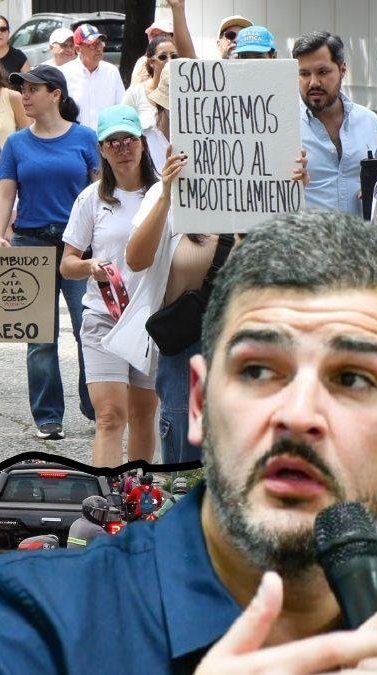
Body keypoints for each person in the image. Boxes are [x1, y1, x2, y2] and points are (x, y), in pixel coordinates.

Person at [0, 212, 377, 673]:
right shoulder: (20, 623)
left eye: (353, 379)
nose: (300, 415)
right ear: (201, 404)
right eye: (259, 370)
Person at [114, 137, 306, 465]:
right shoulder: (168, 193)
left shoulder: (263, 188)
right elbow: (135, 259)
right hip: (188, 345)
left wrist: (290, 195)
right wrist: (165, 196)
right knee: (186, 456)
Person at [0, 65, 98, 440]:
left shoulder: (86, 138)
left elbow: (100, 192)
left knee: (89, 328)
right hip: (30, 245)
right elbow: (5, 192)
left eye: (33, 88)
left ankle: (96, 404)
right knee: (40, 338)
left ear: (55, 94)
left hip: (76, 245)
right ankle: (48, 416)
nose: (25, 94)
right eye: (22, 88)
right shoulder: (17, 143)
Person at [59, 105, 158, 466]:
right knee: (110, 415)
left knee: (145, 414)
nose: (122, 148)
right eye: (112, 142)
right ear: (101, 149)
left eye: (128, 139)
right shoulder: (92, 198)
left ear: (142, 144)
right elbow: (67, 264)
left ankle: (138, 491)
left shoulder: (164, 194)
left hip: (150, 319)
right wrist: (89, 265)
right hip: (104, 315)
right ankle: (105, 498)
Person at [294, 31, 377, 217]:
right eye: (304, 74)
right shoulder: (285, 127)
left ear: (342, 70)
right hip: (305, 242)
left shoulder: (368, 121)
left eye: (323, 72)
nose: (313, 83)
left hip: (360, 241)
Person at [60, 24, 125, 130]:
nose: (98, 49)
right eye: (92, 45)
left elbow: (121, 106)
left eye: (100, 43)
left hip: (105, 138)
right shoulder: (64, 73)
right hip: (76, 137)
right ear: (78, 49)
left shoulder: (111, 71)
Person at [122, 35, 178, 131]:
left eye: (174, 56)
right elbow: (122, 126)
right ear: (151, 62)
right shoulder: (135, 93)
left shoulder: (184, 93)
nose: (170, 61)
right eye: (163, 57)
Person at [130, 19, 173, 85]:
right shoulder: (143, 62)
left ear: (172, 36)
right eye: (153, 35)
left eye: (162, 35)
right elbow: (137, 91)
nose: (157, 39)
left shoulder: (183, 59)